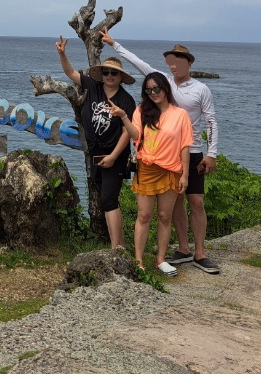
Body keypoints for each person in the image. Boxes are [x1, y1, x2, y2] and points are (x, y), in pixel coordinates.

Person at [100, 30, 220, 274]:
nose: (174, 65)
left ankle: (199, 252)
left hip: (191, 152)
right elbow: (138, 63)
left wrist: (212, 153)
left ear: (189, 63)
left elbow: (211, 122)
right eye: (171, 61)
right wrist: (115, 45)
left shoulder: (200, 89)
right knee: (170, 210)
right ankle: (182, 250)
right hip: (157, 160)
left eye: (179, 61)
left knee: (196, 202)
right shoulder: (160, 82)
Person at [55, 37, 136, 248]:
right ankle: (121, 245)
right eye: (107, 72)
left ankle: (115, 248)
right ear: (102, 74)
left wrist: (113, 157)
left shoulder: (126, 100)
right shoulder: (93, 85)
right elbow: (71, 74)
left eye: (114, 73)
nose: (110, 76)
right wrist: (62, 53)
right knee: (106, 200)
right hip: (95, 153)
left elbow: (127, 133)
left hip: (114, 155)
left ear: (121, 76)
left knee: (109, 200)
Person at [111, 73, 193, 275]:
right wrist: (123, 116)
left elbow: (185, 147)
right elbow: (136, 135)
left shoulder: (180, 115)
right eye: (149, 90)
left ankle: (161, 259)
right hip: (146, 168)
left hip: (171, 170)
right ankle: (138, 261)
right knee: (144, 215)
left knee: (165, 216)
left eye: (157, 88)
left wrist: (185, 175)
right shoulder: (141, 111)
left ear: (166, 88)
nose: (153, 93)